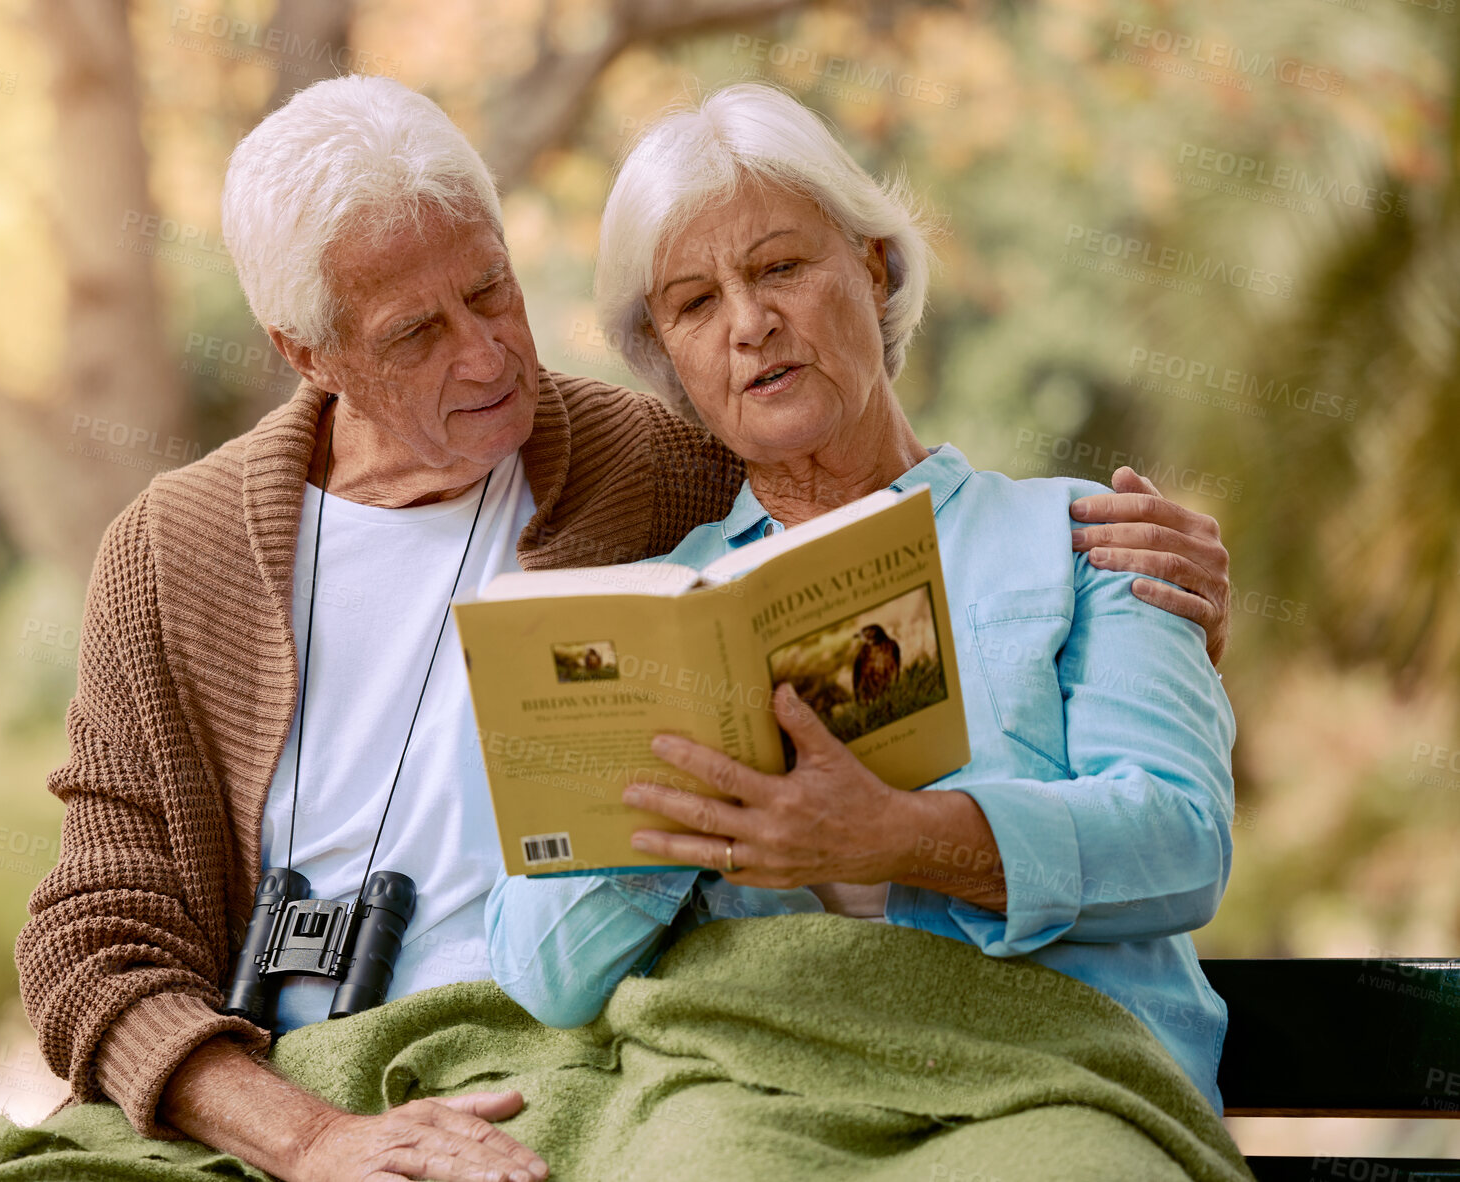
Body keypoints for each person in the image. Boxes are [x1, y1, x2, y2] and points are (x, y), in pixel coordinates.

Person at [15, 75, 1233, 1182]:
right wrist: (307, 1136)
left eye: (490, 289)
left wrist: (1161, 611)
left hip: (611, 1074)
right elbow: (92, 941)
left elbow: (880, 492)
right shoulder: (177, 555)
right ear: (305, 353)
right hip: (322, 1089)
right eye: (414, 334)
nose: (488, 352)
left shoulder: (676, 474)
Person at [486, 81, 1238, 1127]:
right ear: (668, 360)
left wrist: (895, 835)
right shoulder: (657, 607)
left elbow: (1181, 840)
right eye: (694, 303)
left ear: (873, 269)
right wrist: (680, 825)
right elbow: (541, 974)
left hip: (1055, 1086)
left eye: (780, 267)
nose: (749, 325)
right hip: (768, 1093)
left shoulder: (1082, 537)